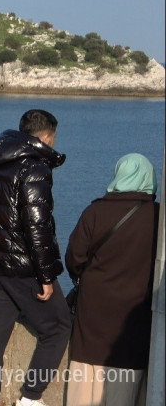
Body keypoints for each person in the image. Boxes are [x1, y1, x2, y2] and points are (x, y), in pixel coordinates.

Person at [0, 109, 71, 406]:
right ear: (47, 136)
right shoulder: (35, 167)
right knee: (59, 326)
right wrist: (46, 277)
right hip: (21, 268)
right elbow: (37, 226)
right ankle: (30, 397)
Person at [64, 153, 159, 406]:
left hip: (93, 312)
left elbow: (74, 257)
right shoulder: (158, 217)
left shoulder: (95, 212)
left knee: (86, 377)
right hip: (134, 316)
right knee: (125, 381)